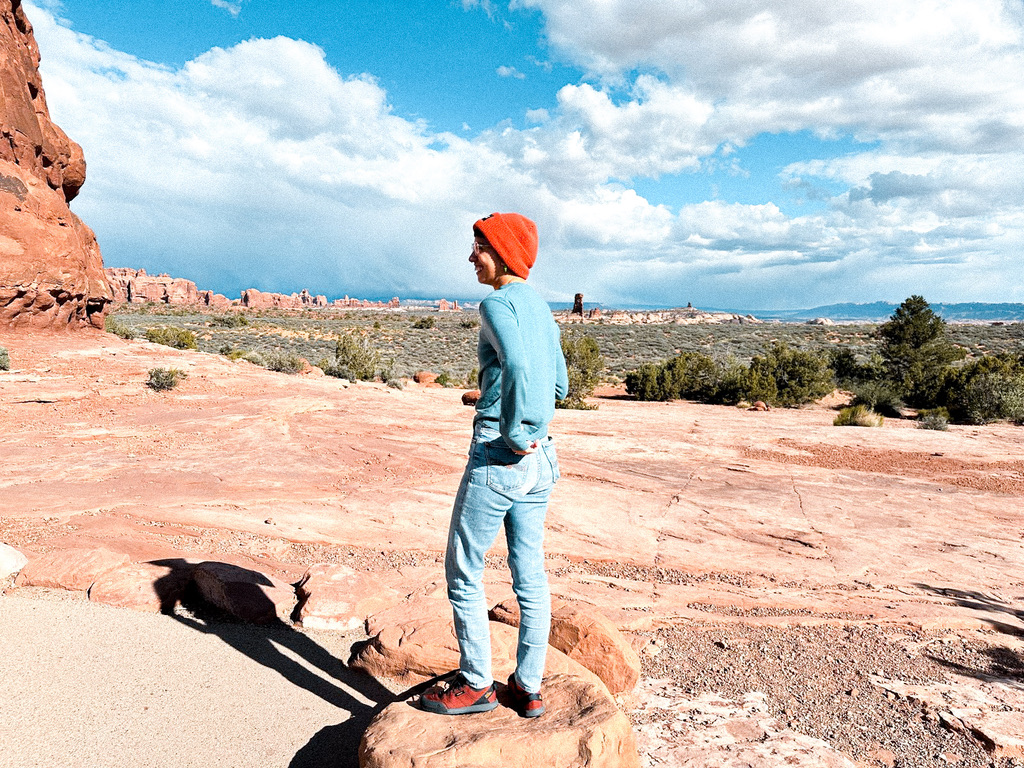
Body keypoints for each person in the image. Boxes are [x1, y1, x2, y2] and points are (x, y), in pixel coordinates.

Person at [418, 212, 568, 718]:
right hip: (542, 457)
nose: (470, 256)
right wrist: (509, 405)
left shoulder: (496, 303)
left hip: (502, 456)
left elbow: (523, 366)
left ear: (499, 252)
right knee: (530, 574)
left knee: (463, 567)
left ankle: (478, 683)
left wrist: (514, 429)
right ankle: (528, 686)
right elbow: (559, 382)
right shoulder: (539, 307)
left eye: (477, 246)